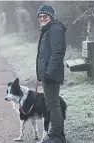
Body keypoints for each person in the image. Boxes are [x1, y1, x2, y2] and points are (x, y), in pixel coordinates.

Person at [36, 4, 67, 143]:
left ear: (51, 17)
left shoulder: (54, 30)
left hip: (51, 75)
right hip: (48, 74)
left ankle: (57, 136)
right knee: (52, 104)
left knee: (53, 104)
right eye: (40, 16)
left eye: (45, 16)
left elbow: (57, 53)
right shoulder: (47, 30)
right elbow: (44, 55)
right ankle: (57, 133)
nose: (42, 18)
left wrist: (48, 73)